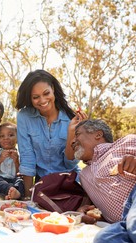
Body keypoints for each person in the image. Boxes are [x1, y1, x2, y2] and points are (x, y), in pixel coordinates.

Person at [15, 69, 85, 198]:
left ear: (53, 89)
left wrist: (71, 133)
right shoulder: (24, 117)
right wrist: (28, 196)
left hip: (69, 182)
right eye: (36, 97)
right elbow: (27, 157)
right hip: (43, 184)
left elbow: (70, 163)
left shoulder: (72, 119)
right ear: (30, 98)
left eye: (46, 93)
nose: (42, 100)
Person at [0, 122, 25, 200]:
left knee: (21, 181)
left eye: (10, 135)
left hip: (14, 181)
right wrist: (0, 160)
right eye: (2, 136)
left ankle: (13, 193)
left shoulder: (21, 154)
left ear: (17, 138)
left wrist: (16, 161)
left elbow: (21, 175)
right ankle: (11, 191)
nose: (6, 138)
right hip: (0, 181)